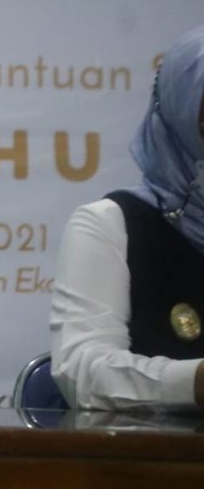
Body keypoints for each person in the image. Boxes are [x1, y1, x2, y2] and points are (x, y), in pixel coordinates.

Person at [51, 24, 204, 411]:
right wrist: (194, 382)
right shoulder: (112, 226)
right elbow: (83, 372)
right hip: (153, 447)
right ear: (182, 116)